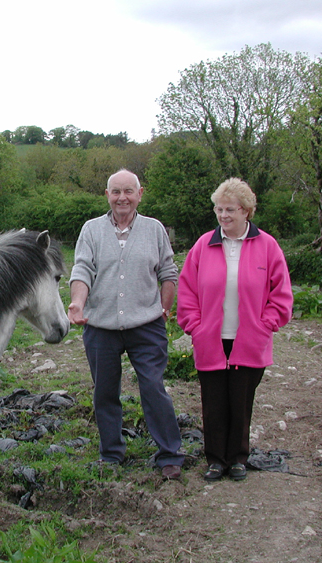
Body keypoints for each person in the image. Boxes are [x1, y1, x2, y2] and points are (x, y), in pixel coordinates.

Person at [68, 169, 185, 480]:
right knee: (105, 391)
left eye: (128, 191)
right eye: (116, 192)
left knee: (152, 386)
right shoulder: (91, 230)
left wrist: (164, 309)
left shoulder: (154, 229)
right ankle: (111, 453)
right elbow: (82, 270)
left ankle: (170, 454)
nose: (122, 198)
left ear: (140, 194)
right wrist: (78, 303)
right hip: (101, 326)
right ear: (107, 195)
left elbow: (168, 273)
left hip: (146, 325)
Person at [177, 178, 293, 481]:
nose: (223, 215)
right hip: (211, 338)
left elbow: (281, 294)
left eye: (230, 209)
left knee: (241, 403)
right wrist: (195, 326)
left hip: (249, 341)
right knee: (213, 402)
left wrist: (265, 325)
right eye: (219, 209)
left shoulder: (267, 246)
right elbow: (187, 290)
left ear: (246, 211)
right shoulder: (204, 245)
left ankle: (238, 458)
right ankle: (216, 459)